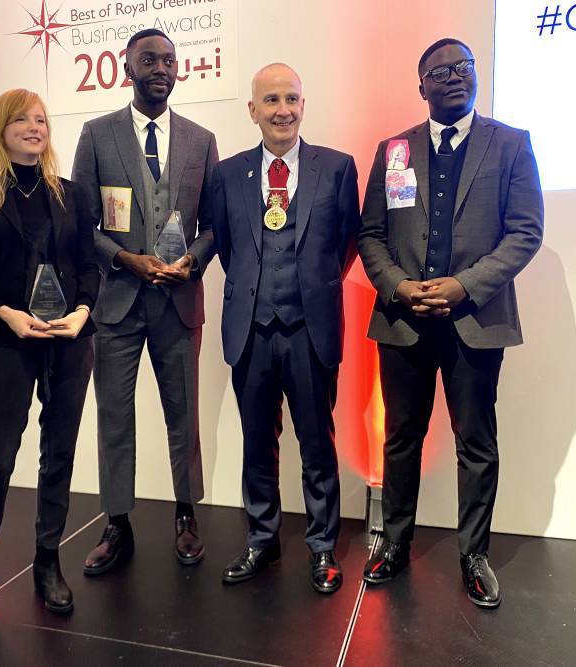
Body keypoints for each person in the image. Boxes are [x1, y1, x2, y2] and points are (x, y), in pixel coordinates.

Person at [358, 38, 544, 608]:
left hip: (474, 319)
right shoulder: (394, 150)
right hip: (404, 320)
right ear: (422, 86)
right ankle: (394, 542)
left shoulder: (510, 144)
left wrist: (466, 285)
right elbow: (371, 234)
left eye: (463, 67)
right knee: (401, 439)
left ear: (475, 77)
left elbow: (525, 233)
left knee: (476, 442)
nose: (454, 77)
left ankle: (474, 554)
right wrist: (397, 286)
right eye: (439, 71)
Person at [0, 88, 99, 641]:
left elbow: (88, 266)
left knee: (59, 456)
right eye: (23, 120)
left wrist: (82, 312)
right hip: (8, 344)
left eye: (42, 120)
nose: (36, 127)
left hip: (69, 343)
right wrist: (4, 312)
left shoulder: (71, 195)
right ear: (1, 128)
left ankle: (48, 561)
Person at [71, 29, 218, 575]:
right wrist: (124, 260)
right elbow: (83, 226)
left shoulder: (201, 141)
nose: (162, 67)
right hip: (117, 306)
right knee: (114, 417)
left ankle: (186, 515)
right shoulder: (97, 135)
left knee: (184, 417)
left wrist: (193, 261)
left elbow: (213, 229)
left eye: (170, 61)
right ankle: (117, 523)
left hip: (178, 304)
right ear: (126, 67)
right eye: (149, 59)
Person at [211, 63, 361, 594]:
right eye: (271, 100)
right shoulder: (228, 174)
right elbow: (229, 248)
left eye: (292, 99)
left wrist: (312, 290)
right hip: (250, 329)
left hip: (310, 329)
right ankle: (261, 539)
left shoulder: (338, 168)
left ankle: (322, 548)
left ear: (304, 105)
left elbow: (345, 246)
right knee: (257, 442)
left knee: (318, 443)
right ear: (253, 110)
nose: (283, 110)